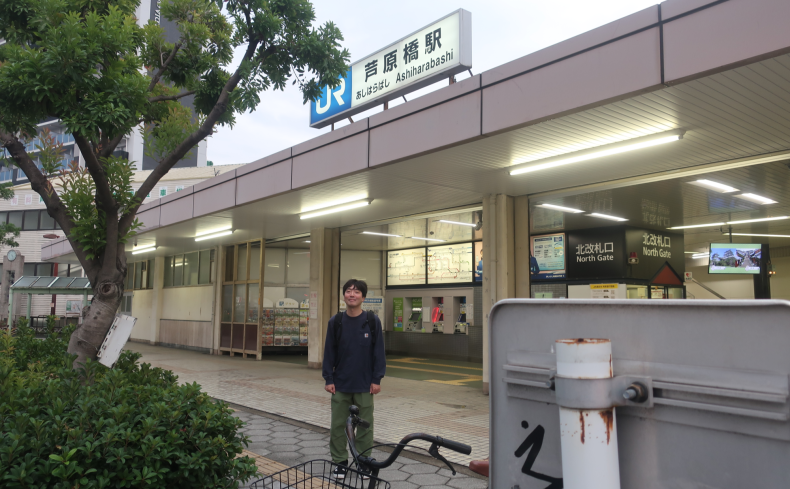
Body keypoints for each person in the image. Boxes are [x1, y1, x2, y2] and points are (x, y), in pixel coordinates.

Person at [322, 279, 386, 480]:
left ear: (363, 297)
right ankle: (340, 462)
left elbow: (379, 353)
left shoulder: (372, 321)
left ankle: (363, 463)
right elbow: (329, 352)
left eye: (357, 292)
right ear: (344, 296)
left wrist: (377, 379)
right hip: (340, 384)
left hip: (365, 385)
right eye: (348, 291)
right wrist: (328, 378)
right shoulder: (336, 321)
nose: (352, 294)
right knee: (338, 425)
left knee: (365, 427)